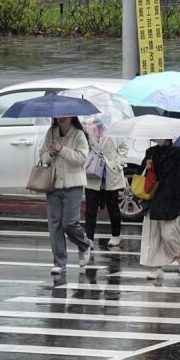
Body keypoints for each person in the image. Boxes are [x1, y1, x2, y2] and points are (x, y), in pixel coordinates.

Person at [39, 117, 92, 274]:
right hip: (53, 185)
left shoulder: (79, 135)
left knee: (68, 223)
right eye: (59, 114)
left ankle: (84, 244)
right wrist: (50, 152)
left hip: (73, 185)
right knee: (54, 224)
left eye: (65, 114)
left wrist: (62, 149)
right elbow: (42, 157)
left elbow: (82, 159)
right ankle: (60, 262)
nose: (61, 117)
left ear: (71, 117)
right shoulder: (51, 132)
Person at [139, 139, 180, 279]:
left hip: (170, 200)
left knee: (169, 234)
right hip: (152, 199)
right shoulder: (151, 152)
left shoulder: (179, 152)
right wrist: (147, 166)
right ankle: (158, 268)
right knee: (153, 236)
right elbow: (142, 174)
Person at [83, 125, 128, 251]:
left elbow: (124, 147)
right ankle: (89, 237)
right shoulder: (87, 128)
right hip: (93, 171)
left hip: (110, 172)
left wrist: (117, 164)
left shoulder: (115, 129)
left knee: (112, 206)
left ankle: (116, 235)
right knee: (90, 207)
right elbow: (82, 147)